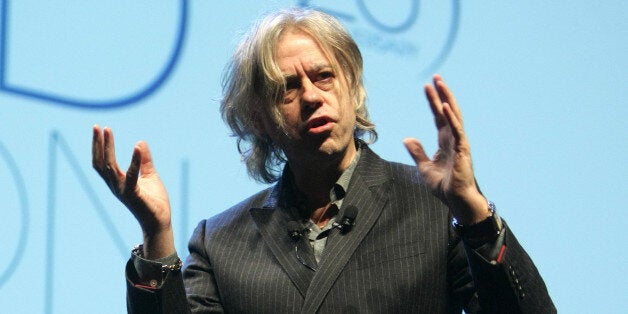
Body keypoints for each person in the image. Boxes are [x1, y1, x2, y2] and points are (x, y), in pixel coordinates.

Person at [92, 8, 555, 313]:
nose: (311, 97)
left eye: (324, 76)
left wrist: (473, 213)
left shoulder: (434, 209)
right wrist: (157, 234)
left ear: (352, 88)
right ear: (258, 116)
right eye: (287, 88)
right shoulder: (221, 243)